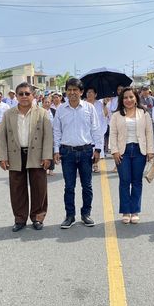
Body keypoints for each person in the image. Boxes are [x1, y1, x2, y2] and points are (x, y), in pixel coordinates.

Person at [0, 82, 53, 232]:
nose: (24, 96)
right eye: (20, 94)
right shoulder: (8, 114)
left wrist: (47, 156)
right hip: (15, 154)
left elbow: (48, 136)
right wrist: (2, 157)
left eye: (27, 93)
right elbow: (2, 137)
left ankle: (37, 217)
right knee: (17, 189)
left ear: (33, 95)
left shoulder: (42, 113)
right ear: (16, 96)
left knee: (39, 187)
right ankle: (20, 219)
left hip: (36, 154)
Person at [53, 78, 103, 229]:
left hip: (86, 152)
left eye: (75, 90)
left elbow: (96, 129)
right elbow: (57, 131)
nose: (72, 92)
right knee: (69, 186)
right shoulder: (61, 109)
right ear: (66, 92)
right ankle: (70, 216)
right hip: (67, 152)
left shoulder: (89, 108)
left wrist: (98, 149)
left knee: (87, 186)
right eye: (69, 90)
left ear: (81, 92)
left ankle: (86, 214)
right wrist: (56, 150)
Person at [110, 87, 154, 224]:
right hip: (123, 151)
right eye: (125, 97)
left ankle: (134, 211)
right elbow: (113, 134)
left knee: (137, 181)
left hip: (139, 151)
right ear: (121, 100)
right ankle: (125, 211)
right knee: (124, 181)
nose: (128, 100)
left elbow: (149, 132)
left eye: (131, 97)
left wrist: (150, 151)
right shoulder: (116, 115)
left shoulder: (144, 113)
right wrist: (114, 151)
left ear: (136, 98)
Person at [85, 86, 109, 173]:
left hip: (98, 130)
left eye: (91, 92)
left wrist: (105, 105)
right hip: (86, 130)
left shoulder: (100, 104)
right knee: (88, 148)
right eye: (88, 92)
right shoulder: (83, 104)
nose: (89, 94)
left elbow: (105, 115)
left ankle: (95, 164)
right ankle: (87, 165)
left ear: (95, 94)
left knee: (97, 148)